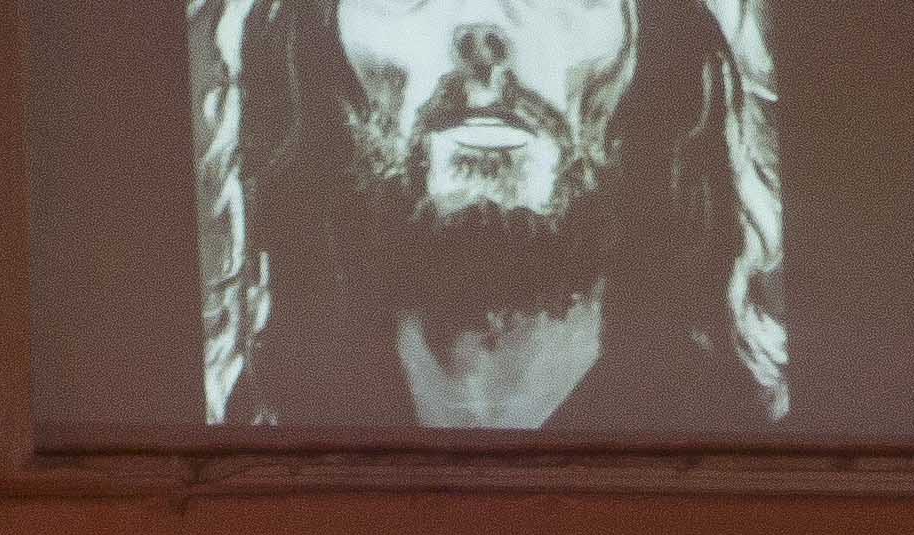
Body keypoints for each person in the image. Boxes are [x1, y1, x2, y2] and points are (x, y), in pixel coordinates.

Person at [226, 0, 782, 433]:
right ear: (318, 45)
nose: (482, 28)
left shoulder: (736, 444)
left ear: (654, 50)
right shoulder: (261, 421)